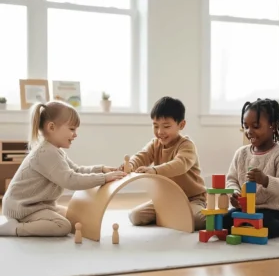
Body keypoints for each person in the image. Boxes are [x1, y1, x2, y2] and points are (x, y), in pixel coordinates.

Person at [0, 101, 126, 237]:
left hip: (40, 205)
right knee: (63, 225)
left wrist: (101, 169)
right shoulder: (45, 153)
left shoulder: (56, 151)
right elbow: (70, 180)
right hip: (23, 208)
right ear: (51, 127)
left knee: (74, 215)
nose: (75, 134)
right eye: (72, 129)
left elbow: (76, 171)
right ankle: (16, 228)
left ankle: (25, 224)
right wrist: (103, 178)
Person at [119, 96, 207, 230]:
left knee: (196, 220)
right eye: (155, 126)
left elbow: (180, 164)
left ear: (181, 125)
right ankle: (173, 216)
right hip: (166, 199)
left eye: (166, 126)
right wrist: (130, 165)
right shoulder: (155, 144)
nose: (160, 132)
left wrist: (154, 170)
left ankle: (182, 216)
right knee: (135, 216)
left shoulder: (187, 146)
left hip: (192, 198)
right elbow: (142, 156)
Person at [223, 98, 279, 238]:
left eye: (256, 126)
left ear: (274, 126)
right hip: (244, 209)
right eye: (246, 126)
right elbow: (231, 179)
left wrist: (265, 180)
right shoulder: (241, 153)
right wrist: (234, 193)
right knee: (222, 221)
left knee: (265, 224)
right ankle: (246, 226)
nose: (249, 131)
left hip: (269, 211)